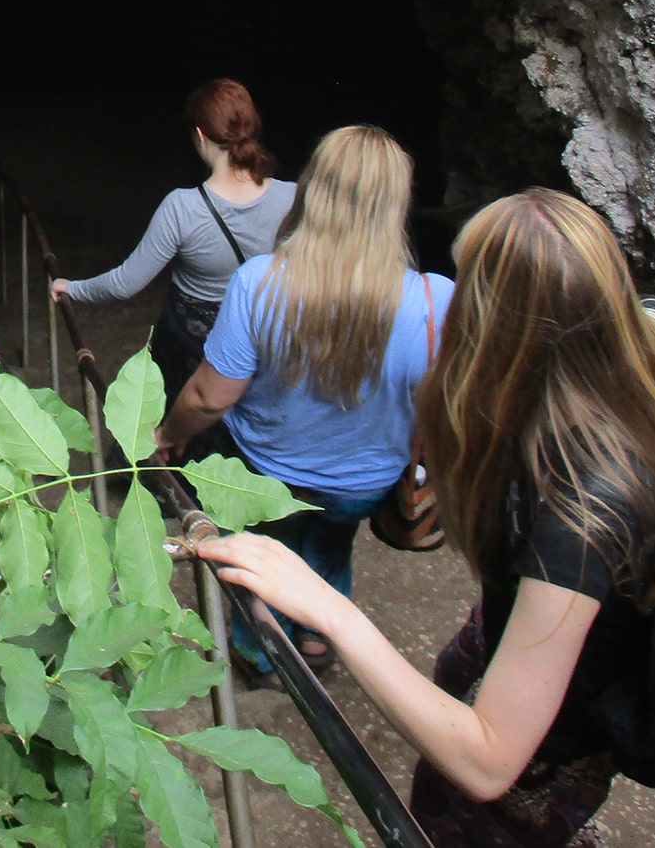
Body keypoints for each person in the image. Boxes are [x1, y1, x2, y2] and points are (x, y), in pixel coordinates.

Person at [198, 188, 655, 846]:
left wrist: (326, 607)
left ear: (493, 323)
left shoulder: (580, 522)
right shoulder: (588, 408)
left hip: (529, 781)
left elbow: (489, 761)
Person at [157, 125, 455, 685]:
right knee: (331, 541)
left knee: (260, 553)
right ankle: (318, 638)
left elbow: (208, 396)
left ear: (312, 190)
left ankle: (262, 653)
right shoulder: (438, 301)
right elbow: (439, 404)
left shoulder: (258, 284)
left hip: (263, 471)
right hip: (363, 482)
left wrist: (168, 434)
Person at [50, 79, 295, 418]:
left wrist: (71, 289)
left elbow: (125, 283)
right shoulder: (293, 198)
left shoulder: (182, 208)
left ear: (200, 135)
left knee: (155, 437)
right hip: (261, 347)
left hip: (188, 353)